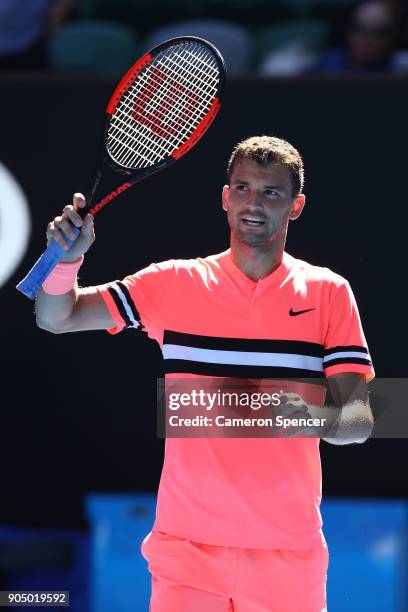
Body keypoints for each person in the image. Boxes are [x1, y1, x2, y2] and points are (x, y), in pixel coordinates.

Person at [35, 135, 374, 611]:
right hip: (185, 552)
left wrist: (286, 414)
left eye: (270, 192)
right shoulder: (172, 282)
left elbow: (358, 422)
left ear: (295, 206)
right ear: (224, 196)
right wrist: (66, 260)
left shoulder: (330, 292)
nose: (253, 203)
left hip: (287, 555)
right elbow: (56, 317)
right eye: (242, 188)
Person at [312, 0, 406, 73]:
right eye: (359, 28)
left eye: (378, 32)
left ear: (391, 38)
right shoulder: (329, 64)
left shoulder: (399, 70)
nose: (367, 39)